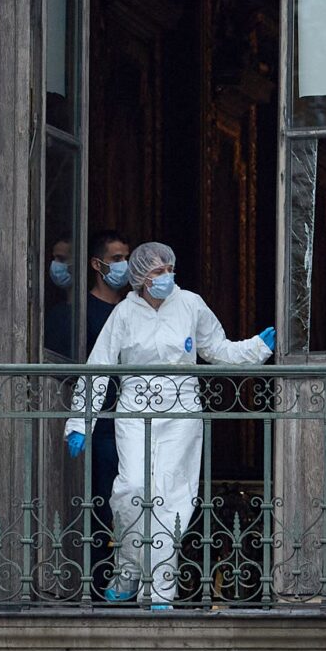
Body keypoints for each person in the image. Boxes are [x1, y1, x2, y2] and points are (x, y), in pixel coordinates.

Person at [68, 242, 273, 610]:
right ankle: (128, 570)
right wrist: (80, 421)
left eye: (168, 270)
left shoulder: (190, 304)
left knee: (171, 498)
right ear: (139, 276)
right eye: (156, 271)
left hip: (181, 411)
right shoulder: (124, 313)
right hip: (134, 410)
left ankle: (159, 589)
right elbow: (98, 366)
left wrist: (257, 347)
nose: (164, 277)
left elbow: (218, 350)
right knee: (131, 489)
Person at [69, 230, 133, 596]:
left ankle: (128, 581)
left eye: (127, 257)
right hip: (101, 422)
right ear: (98, 264)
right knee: (101, 505)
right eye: (117, 257)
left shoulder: (131, 309)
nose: (123, 265)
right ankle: (96, 584)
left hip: (133, 417)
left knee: (133, 501)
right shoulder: (82, 311)